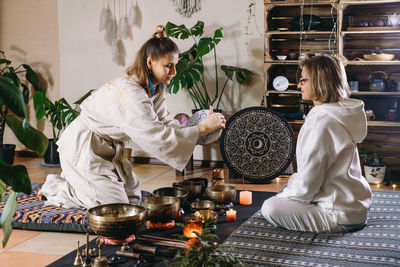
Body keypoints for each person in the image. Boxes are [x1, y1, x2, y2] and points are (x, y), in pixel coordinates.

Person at [40, 25, 226, 209]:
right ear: (150, 62)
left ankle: (80, 182)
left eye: (175, 65)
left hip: (109, 148)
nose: (174, 72)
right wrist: (202, 129)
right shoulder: (131, 93)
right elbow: (155, 134)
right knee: (117, 207)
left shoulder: (155, 86)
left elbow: (165, 122)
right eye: (169, 66)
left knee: (133, 199)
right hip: (85, 147)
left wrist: (200, 129)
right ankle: (59, 187)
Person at [261, 55, 372, 233]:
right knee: (287, 191)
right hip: (357, 210)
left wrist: (288, 193)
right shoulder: (342, 113)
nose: (299, 85)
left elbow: (307, 185)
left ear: (320, 82)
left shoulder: (321, 120)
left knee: (270, 206)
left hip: (338, 216)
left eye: (303, 80)